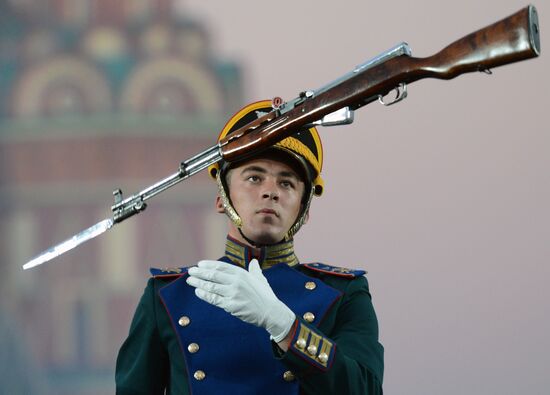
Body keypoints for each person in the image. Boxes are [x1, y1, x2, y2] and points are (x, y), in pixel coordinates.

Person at [115, 100, 384, 394]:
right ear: (222, 199)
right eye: (254, 178)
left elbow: (364, 389)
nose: (270, 191)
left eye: (287, 183)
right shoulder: (168, 294)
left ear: (305, 211)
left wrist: (284, 326)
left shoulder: (344, 293)